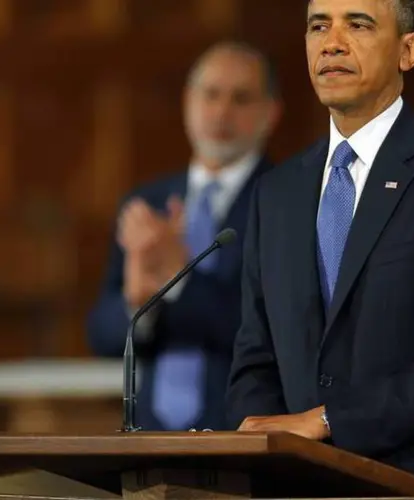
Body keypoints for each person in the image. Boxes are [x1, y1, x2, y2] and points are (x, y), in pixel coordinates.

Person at [226, 0, 414, 495]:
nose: (332, 42)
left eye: (358, 24)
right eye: (318, 26)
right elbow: (255, 359)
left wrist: (325, 421)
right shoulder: (275, 194)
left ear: (410, 50)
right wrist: (261, 437)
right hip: (300, 487)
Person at [87, 41, 282, 431]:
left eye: (241, 98)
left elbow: (273, 330)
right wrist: (138, 303)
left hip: (243, 432)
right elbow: (101, 334)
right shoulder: (147, 202)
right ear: (187, 102)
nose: (222, 112)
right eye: (210, 94)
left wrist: (181, 277)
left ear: (271, 112)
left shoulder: (286, 199)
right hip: (151, 434)